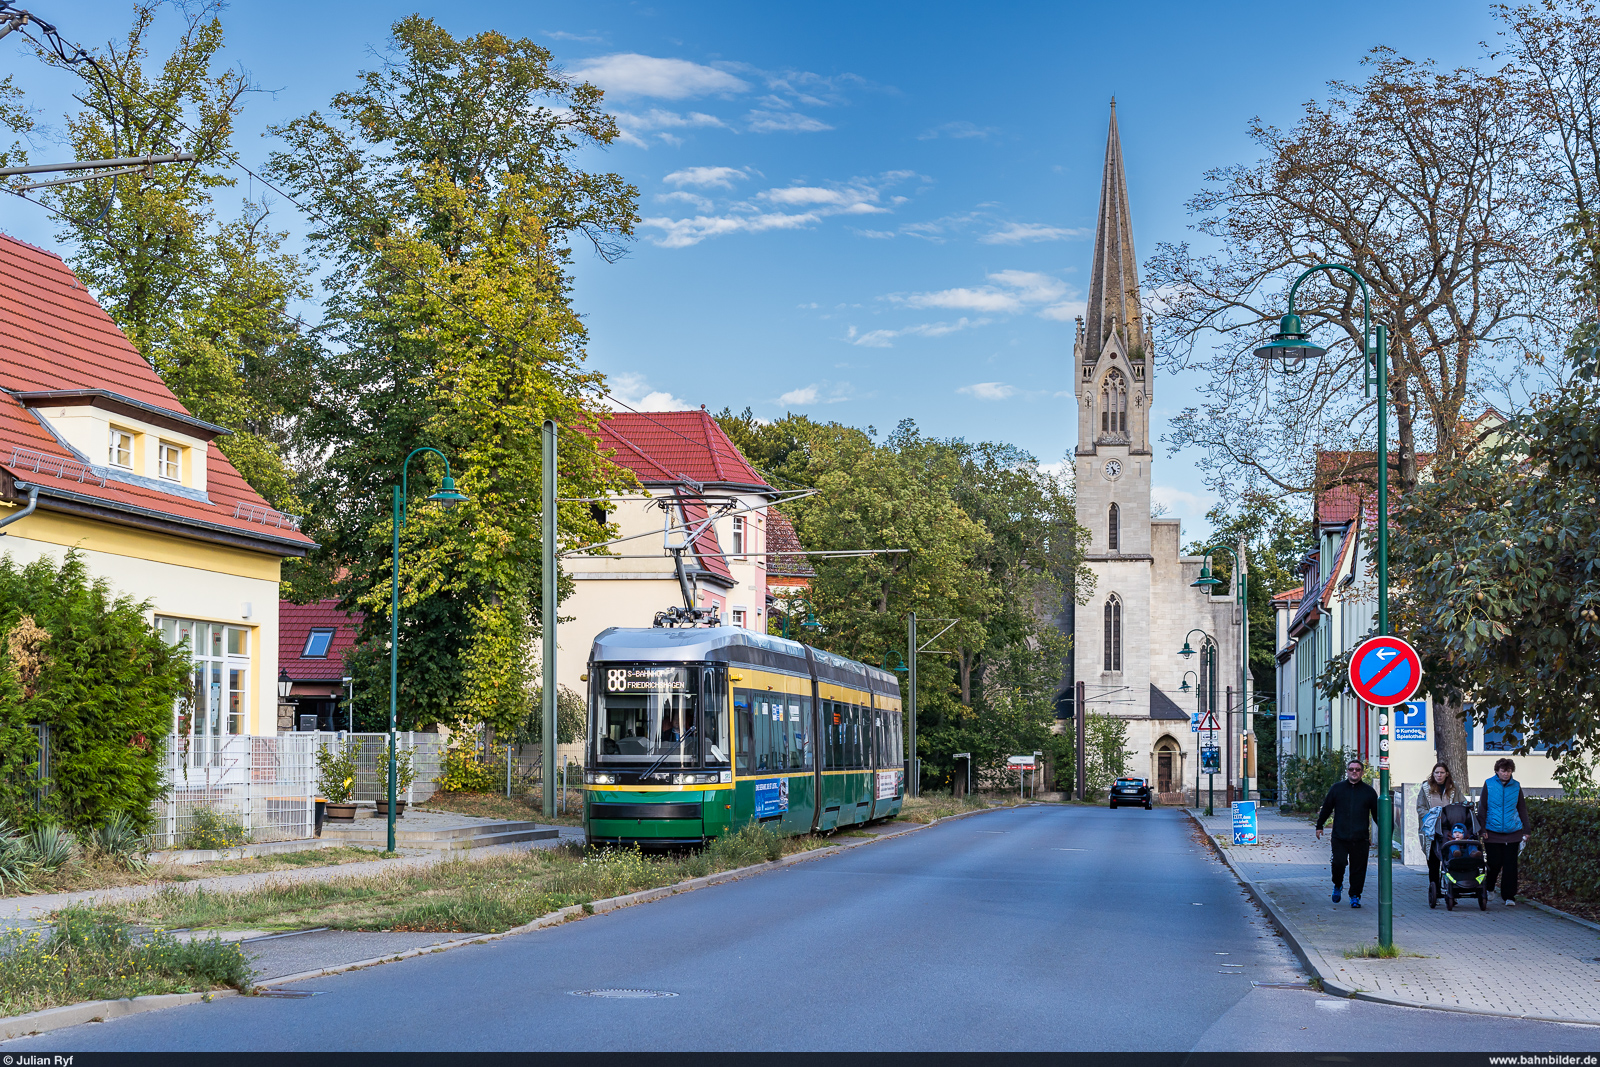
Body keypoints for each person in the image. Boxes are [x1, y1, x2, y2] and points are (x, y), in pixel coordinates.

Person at [1316, 757, 1379, 908]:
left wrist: (1385, 833)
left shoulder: (1369, 792)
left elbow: (1377, 815)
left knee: (1358, 869)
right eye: (1351, 769)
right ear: (1347, 771)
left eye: (1357, 770)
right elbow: (1327, 808)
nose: (1354, 772)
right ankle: (1337, 884)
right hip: (1340, 836)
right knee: (1338, 863)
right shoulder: (1337, 789)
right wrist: (1319, 825)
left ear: (1362, 772)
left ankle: (1355, 896)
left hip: (1360, 838)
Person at [1477, 757, 1531, 906]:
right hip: (1492, 831)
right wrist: (1482, 829)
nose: (1506, 774)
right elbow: (1482, 808)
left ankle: (1509, 896)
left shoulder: (1516, 786)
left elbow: (1521, 808)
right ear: (1497, 771)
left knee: (1510, 865)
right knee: (1494, 863)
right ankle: (1489, 887)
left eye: (1508, 771)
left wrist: (1526, 830)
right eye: (1503, 771)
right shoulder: (1489, 784)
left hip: (1513, 831)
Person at [1416, 761, 1465, 886]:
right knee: (1433, 861)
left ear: (1447, 774)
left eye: (1442, 772)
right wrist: (1431, 817)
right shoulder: (1426, 788)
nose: (1439, 775)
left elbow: (1461, 802)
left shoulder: (1454, 787)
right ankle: (1434, 888)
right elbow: (1420, 807)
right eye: (1436, 772)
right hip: (1431, 828)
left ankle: (1452, 888)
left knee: (1451, 857)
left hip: (1449, 827)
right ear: (1433, 774)